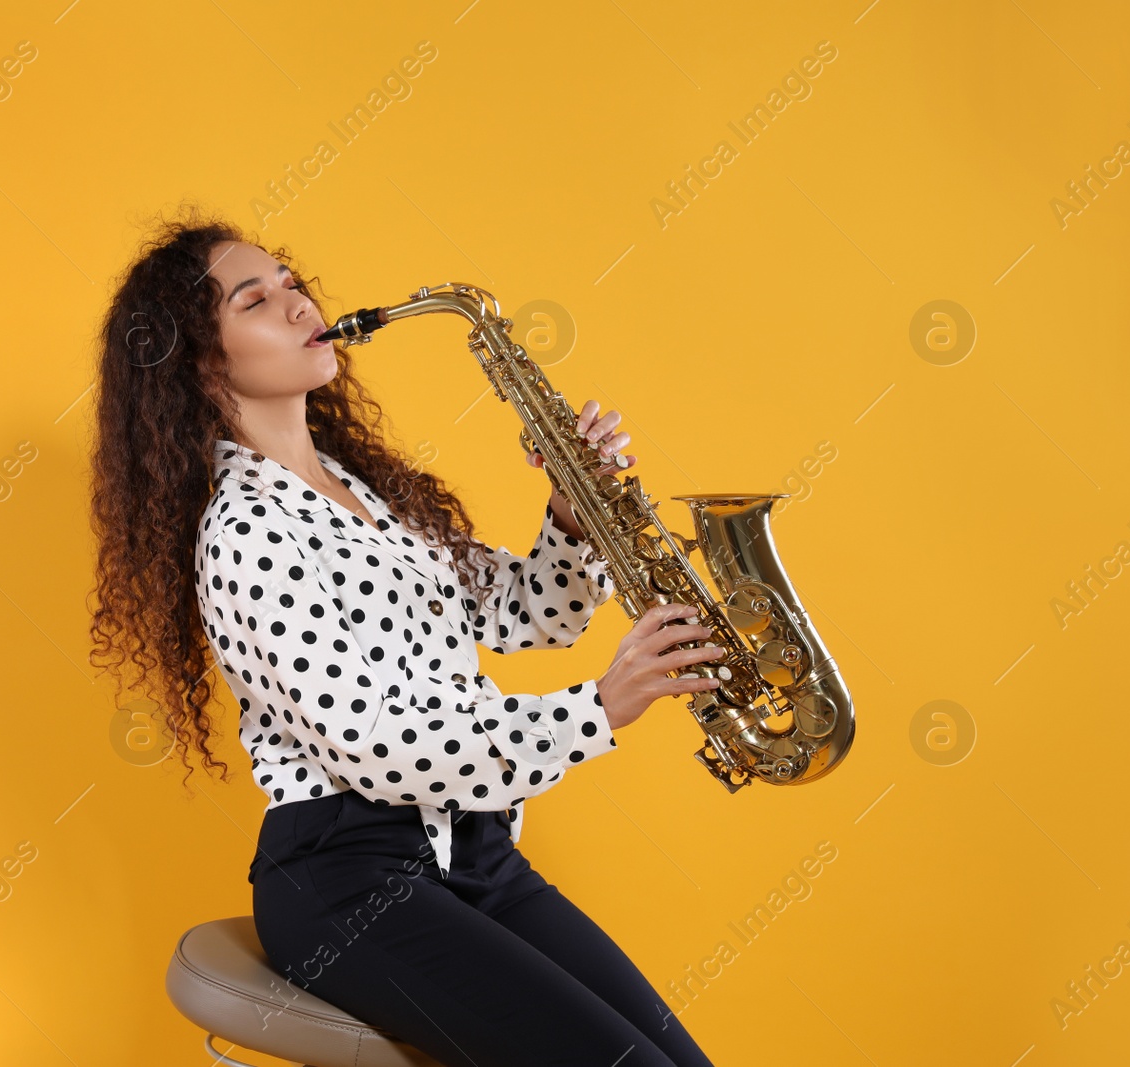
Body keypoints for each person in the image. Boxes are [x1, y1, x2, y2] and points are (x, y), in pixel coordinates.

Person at [89, 209, 723, 1066]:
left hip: (476, 856)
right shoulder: (245, 533)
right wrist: (599, 708)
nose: (296, 302)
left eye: (290, 282)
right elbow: (378, 750)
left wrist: (573, 518)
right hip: (349, 881)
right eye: (254, 300)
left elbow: (526, 611)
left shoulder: (364, 491)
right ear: (204, 362)